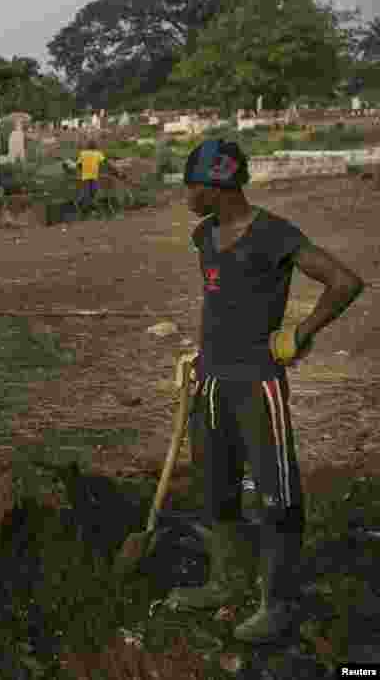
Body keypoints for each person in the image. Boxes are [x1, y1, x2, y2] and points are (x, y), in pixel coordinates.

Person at [166, 139, 364, 643]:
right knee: (216, 488)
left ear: (216, 186)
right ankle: (227, 582)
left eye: (192, 185)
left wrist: (300, 333)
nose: (186, 194)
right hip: (211, 381)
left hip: (258, 384)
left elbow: (344, 281)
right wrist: (199, 353)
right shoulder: (203, 237)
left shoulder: (273, 235)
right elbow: (219, 303)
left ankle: (279, 604)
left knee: (275, 495)